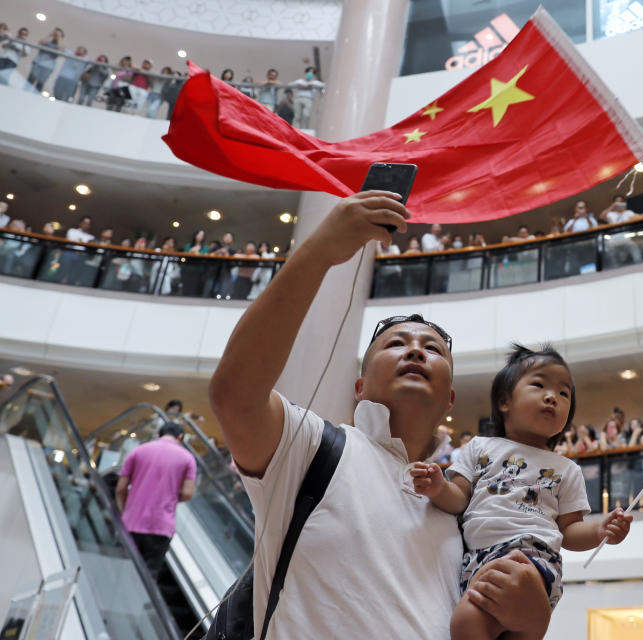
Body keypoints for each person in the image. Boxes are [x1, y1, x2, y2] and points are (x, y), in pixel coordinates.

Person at [207, 190, 556, 638]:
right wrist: (319, 252)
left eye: (432, 349)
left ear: (449, 399)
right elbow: (236, 394)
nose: (415, 349)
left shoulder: (465, 511)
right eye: (395, 344)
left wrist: (530, 626)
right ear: (359, 388)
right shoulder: (313, 447)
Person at [410, 345, 632, 638]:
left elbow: (569, 531)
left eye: (564, 393)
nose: (552, 396)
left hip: (533, 556)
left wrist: (600, 532)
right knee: (472, 624)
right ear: (505, 401)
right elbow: (459, 498)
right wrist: (439, 487)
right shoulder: (479, 447)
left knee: (479, 614)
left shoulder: (566, 468)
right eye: (539, 385)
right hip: (478, 560)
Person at [115, 421, 197, 579]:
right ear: (180, 437)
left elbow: (120, 488)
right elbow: (187, 493)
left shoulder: (138, 451)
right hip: (161, 526)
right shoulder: (188, 458)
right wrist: (171, 496)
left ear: (158, 435)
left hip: (131, 522)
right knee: (147, 578)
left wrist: (125, 511)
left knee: (119, 570)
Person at [25, 28, 64, 93]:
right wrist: (50, 35)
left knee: (40, 84)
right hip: (38, 63)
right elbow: (40, 43)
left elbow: (60, 50)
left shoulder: (60, 45)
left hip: (47, 67)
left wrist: (59, 37)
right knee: (30, 80)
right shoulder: (47, 41)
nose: (55, 35)